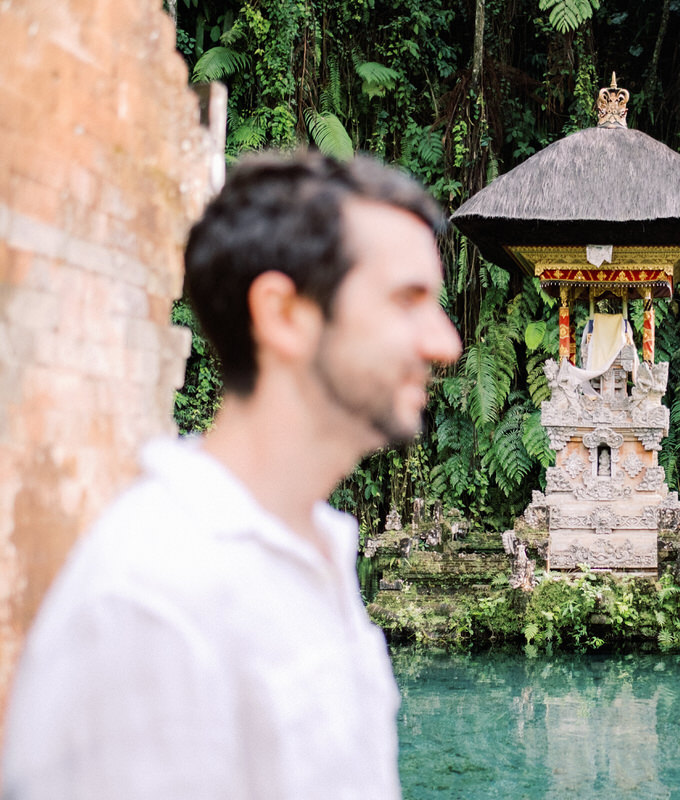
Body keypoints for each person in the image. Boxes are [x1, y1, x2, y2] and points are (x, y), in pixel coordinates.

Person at [2, 152, 462, 798]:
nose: (445, 344)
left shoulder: (320, 546)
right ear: (283, 315)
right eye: (407, 300)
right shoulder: (152, 599)